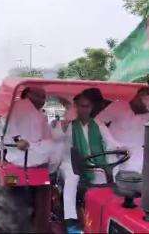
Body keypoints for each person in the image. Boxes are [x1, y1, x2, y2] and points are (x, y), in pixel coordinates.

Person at [59, 92, 126, 233]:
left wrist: (123, 149)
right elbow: (56, 138)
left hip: (94, 161)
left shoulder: (98, 124)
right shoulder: (68, 125)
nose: (85, 109)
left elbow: (111, 142)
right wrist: (62, 127)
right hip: (71, 162)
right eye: (82, 106)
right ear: (76, 107)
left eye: (88, 106)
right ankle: (70, 221)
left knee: (107, 181)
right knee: (72, 179)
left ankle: (99, 218)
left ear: (92, 107)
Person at [95, 87, 149, 175]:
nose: (146, 100)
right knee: (109, 178)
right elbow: (98, 121)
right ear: (136, 96)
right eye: (143, 97)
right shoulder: (119, 105)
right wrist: (110, 141)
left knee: (131, 181)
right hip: (112, 151)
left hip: (134, 156)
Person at [4, 86, 63, 171]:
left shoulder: (38, 112)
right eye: (40, 96)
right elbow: (11, 125)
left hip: (33, 148)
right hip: (22, 151)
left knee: (59, 144)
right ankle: (53, 173)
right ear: (28, 95)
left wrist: (55, 126)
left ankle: (54, 174)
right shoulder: (21, 105)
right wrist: (18, 140)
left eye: (44, 97)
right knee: (59, 146)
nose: (43, 100)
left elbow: (47, 133)